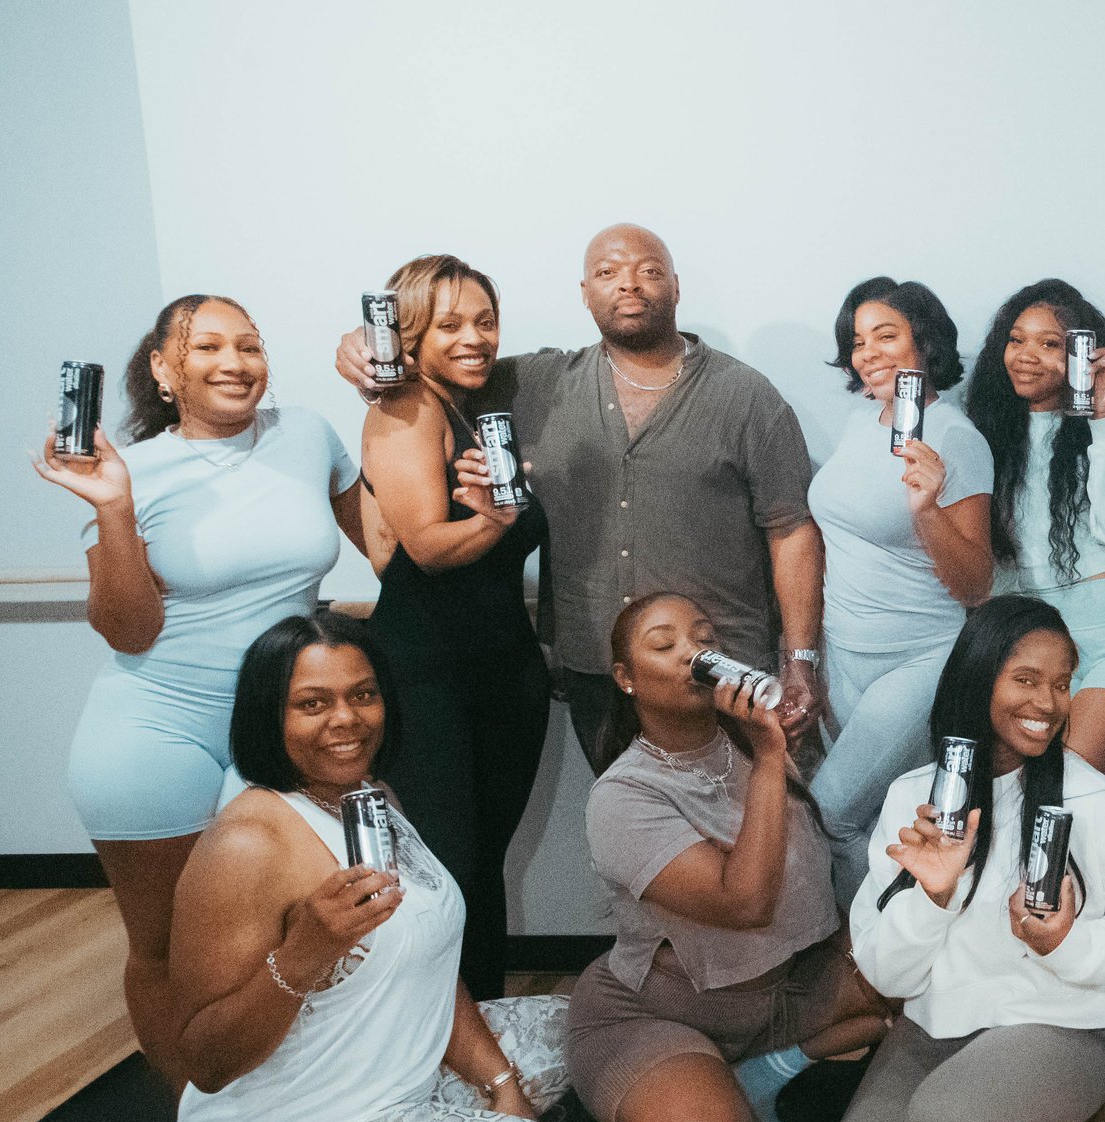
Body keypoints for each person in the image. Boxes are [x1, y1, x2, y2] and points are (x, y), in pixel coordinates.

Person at [167, 613, 590, 1122]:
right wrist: (303, 955)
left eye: (362, 694)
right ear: (268, 713)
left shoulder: (370, 797)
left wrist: (500, 1086)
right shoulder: (246, 843)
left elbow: (427, 960)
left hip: (396, 1083)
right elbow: (206, 1058)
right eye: (313, 702)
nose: (346, 718)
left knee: (580, 1028)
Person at [338, 223, 823, 762]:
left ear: (676, 287)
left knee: (751, 832)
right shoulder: (534, 384)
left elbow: (792, 529)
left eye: (649, 271)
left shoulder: (747, 396)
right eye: (607, 272)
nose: (629, 284)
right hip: (597, 673)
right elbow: (437, 362)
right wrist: (362, 349)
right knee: (628, 837)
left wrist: (799, 659)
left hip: (722, 669)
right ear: (585, 294)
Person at [37, 295, 365, 1082]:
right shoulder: (127, 468)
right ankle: (193, 1121)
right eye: (208, 345)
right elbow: (128, 630)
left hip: (274, 728)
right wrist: (114, 508)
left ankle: (293, 1101)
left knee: (294, 931)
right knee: (162, 950)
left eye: (249, 345)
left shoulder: (306, 435)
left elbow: (389, 550)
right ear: (163, 368)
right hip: (154, 733)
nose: (234, 361)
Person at [814, 597, 1105, 1122]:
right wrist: (932, 897)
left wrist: (1064, 944)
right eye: (1026, 677)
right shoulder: (912, 800)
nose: (1049, 698)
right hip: (938, 1029)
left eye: (1063, 680)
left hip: (1060, 1026)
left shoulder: (1091, 800)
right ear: (978, 677)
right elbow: (886, 972)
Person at [566, 593, 887, 1122]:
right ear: (625, 677)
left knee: (923, 978)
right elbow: (745, 902)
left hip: (777, 992)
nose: (692, 652)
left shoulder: (751, 742)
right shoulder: (623, 795)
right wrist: (770, 758)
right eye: (665, 642)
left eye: (703, 636)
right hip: (659, 1014)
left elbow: (806, 890)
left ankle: (759, 1075)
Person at [358, 254, 550, 999]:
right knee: (446, 870)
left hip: (500, 670)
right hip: (427, 672)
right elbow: (427, 548)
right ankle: (439, 1060)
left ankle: (488, 1045)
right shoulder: (406, 405)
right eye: (450, 324)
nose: (475, 337)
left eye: (486, 320)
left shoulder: (470, 407)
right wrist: (501, 518)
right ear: (409, 334)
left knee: (480, 867)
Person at [808, 278, 993, 900]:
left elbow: (975, 586)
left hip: (919, 658)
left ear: (926, 342)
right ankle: (875, 973)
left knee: (829, 811)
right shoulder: (861, 424)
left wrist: (926, 509)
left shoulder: (955, 437)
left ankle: (864, 971)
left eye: (886, 335)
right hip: (843, 653)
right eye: (857, 341)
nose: (868, 353)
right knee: (865, 820)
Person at [965, 279, 1105, 781]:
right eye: (1016, 340)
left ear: (1083, 353)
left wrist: (1103, 418)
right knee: (1016, 799)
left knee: (1074, 795)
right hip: (1032, 642)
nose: (1026, 355)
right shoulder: (982, 432)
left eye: (1050, 343)